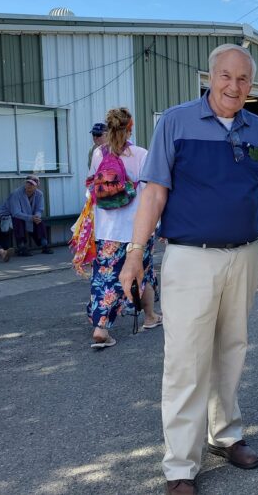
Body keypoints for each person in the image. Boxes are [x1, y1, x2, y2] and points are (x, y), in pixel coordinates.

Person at [119, 44, 258, 495]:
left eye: (243, 79)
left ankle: (225, 434)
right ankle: (180, 465)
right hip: (191, 256)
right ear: (209, 77)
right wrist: (136, 253)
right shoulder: (175, 121)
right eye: (225, 76)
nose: (234, 86)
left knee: (232, 348)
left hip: (244, 252)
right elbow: (153, 194)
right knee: (186, 361)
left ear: (252, 84)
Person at [86, 107, 161, 349]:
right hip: (138, 229)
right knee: (144, 268)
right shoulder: (141, 154)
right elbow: (152, 192)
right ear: (131, 128)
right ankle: (102, 330)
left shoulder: (99, 154)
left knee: (106, 278)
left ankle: (149, 316)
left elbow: (90, 189)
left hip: (107, 229)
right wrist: (158, 224)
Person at [0, 175, 53, 256]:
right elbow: (15, 213)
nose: (29, 185)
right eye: (27, 183)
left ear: (37, 186)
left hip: (27, 216)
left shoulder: (39, 194)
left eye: (32, 184)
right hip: (8, 216)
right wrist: (31, 218)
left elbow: (39, 209)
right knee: (18, 220)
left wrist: (36, 216)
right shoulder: (16, 193)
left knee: (39, 221)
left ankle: (44, 245)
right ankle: (21, 247)